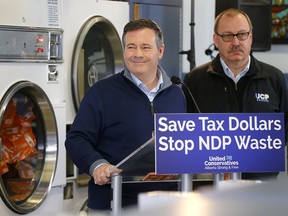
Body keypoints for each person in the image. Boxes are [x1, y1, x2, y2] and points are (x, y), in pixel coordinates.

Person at [65, 19, 186, 211]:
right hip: (113, 203)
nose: (138, 54)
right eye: (131, 47)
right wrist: (97, 165)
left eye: (146, 47)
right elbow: (76, 138)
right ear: (124, 51)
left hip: (167, 203)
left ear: (160, 51)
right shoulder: (101, 92)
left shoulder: (177, 93)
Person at [183, 8, 288, 180]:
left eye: (242, 34)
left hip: (263, 187)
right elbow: (185, 136)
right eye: (227, 36)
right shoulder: (194, 80)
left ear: (251, 37)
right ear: (215, 40)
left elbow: (284, 130)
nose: (236, 42)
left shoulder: (273, 78)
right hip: (211, 187)